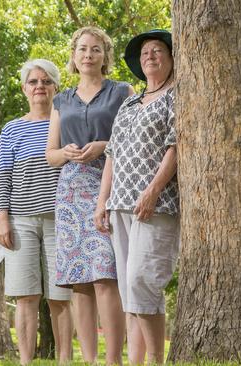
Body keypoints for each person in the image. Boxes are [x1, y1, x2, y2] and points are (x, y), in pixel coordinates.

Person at [46, 26, 134, 365]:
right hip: (69, 192)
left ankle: (113, 360)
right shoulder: (61, 100)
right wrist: (65, 153)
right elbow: (49, 154)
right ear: (73, 55)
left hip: (109, 185)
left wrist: (104, 145)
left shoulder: (122, 92)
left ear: (105, 57)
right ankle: (90, 361)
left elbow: (132, 139)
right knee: (80, 280)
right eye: (82, 49)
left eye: (95, 49)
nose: (88, 55)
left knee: (105, 274)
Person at [94, 29, 179, 364]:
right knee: (129, 289)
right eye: (145, 53)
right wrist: (102, 202)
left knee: (143, 279)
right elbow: (112, 154)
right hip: (119, 204)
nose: (150, 56)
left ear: (172, 59)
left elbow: (176, 146)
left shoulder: (177, 96)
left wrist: (154, 189)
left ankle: (157, 360)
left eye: (158, 50)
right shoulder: (129, 102)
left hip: (155, 203)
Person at [0, 59, 73, 364]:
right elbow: (3, 177)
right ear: (25, 89)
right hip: (21, 220)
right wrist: (3, 218)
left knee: (61, 297)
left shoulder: (67, 121)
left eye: (46, 81)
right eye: (33, 82)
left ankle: (65, 360)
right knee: (25, 296)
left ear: (55, 87)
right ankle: (26, 362)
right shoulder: (12, 129)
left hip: (61, 220)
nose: (39, 86)